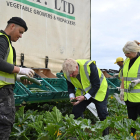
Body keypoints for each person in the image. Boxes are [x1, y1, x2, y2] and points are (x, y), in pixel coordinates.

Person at [0, 17, 35, 140]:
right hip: (2, 93)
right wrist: (20, 69)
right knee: (4, 126)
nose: (21, 36)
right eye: (20, 32)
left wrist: (19, 77)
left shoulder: (8, 44)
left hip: (4, 91)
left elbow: (4, 71)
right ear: (12, 26)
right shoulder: (2, 40)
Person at [62, 58, 109, 136]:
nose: (70, 75)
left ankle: (106, 135)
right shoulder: (67, 72)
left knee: (102, 113)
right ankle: (80, 134)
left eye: (72, 73)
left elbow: (96, 85)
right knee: (76, 111)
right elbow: (70, 87)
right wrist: (72, 97)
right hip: (84, 91)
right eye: (68, 74)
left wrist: (85, 97)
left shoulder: (89, 66)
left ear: (76, 67)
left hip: (99, 90)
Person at [120, 40, 140, 138]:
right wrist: (122, 90)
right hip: (129, 98)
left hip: (139, 98)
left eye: (128, 53)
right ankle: (133, 136)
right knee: (131, 120)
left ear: (135, 51)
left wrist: (139, 80)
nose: (126, 55)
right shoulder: (127, 60)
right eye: (125, 53)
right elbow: (124, 76)